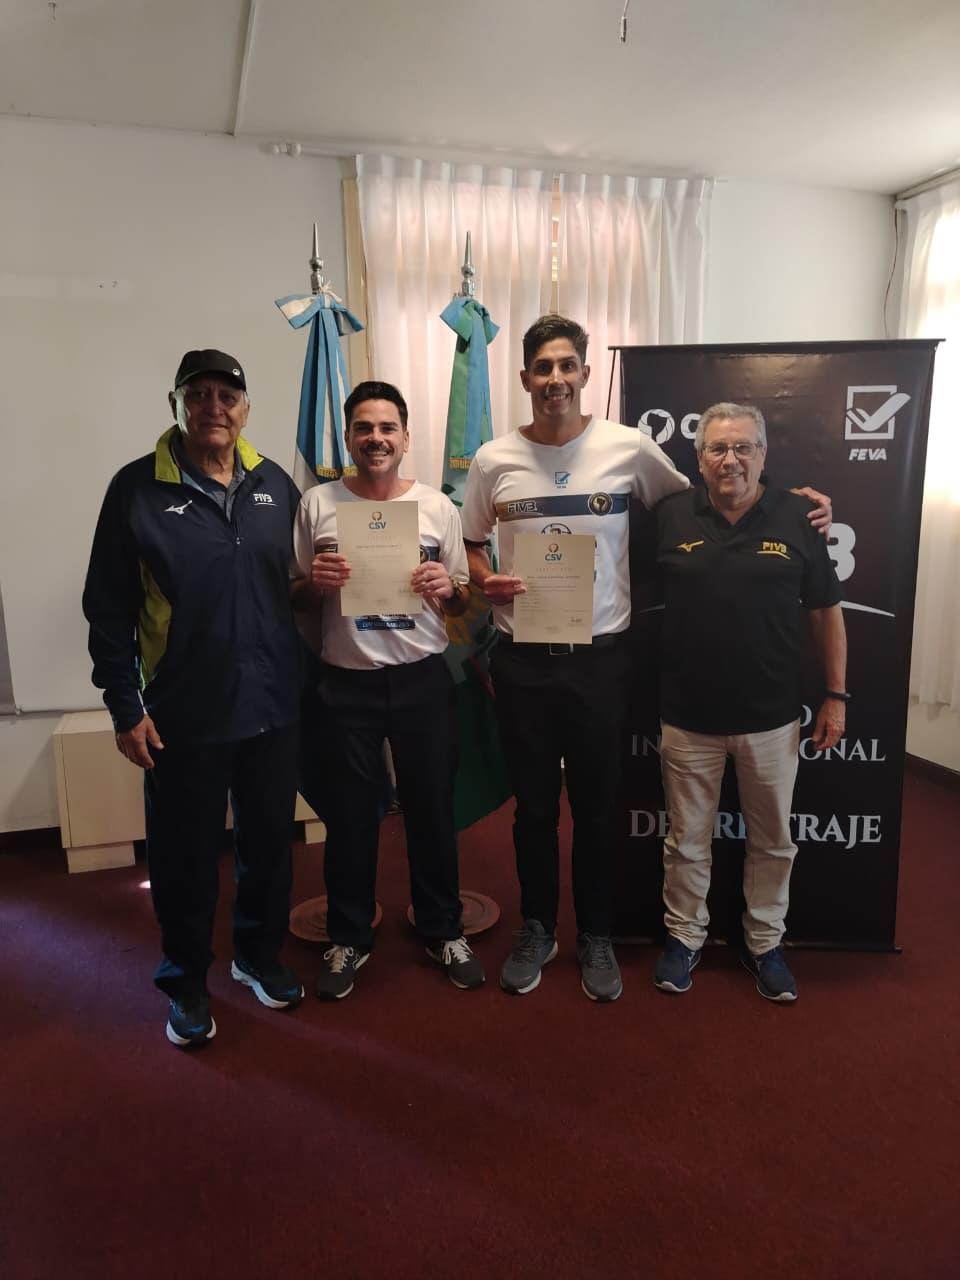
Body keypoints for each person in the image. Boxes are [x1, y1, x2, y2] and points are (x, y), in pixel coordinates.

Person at [83, 349, 304, 1048]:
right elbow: (108, 608)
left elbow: (292, 587)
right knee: (183, 859)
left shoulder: (275, 484)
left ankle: (257, 956)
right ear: (175, 404)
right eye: (198, 394)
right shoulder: (136, 490)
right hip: (184, 711)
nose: (214, 407)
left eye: (227, 396)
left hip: (272, 705)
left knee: (269, 847)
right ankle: (184, 981)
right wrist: (125, 707)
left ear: (246, 409)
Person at [292, 380, 484, 999]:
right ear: (349, 438)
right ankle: (349, 936)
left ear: (405, 438)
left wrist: (447, 587)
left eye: (386, 428)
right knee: (350, 817)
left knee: (431, 810)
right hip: (345, 682)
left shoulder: (437, 508)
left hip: (421, 677)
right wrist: (315, 583)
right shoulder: (317, 503)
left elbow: (462, 596)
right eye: (363, 428)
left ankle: (442, 927)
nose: (375, 438)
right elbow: (294, 594)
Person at [652, 402, 847, 1003]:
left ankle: (764, 943)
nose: (730, 459)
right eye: (717, 448)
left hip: (771, 720)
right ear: (699, 458)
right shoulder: (669, 514)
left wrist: (836, 696)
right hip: (688, 718)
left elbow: (827, 613)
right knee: (686, 841)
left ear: (763, 454)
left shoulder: (798, 516)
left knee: (773, 843)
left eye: (743, 447)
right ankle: (684, 937)